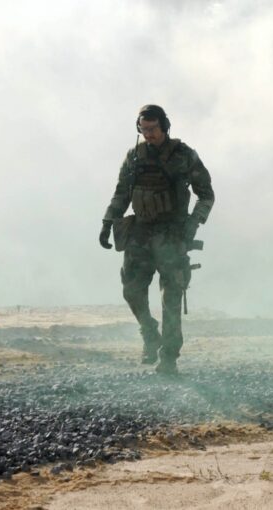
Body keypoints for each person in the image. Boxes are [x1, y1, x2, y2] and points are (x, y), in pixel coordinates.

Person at [100, 104, 214, 375]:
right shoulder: (134, 156)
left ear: (164, 126)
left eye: (152, 129)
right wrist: (108, 221)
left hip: (172, 234)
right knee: (131, 290)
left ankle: (169, 357)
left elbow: (206, 194)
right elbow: (121, 192)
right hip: (140, 232)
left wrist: (192, 225)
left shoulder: (184, 155)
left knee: (171, 296)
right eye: (143, 129)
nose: (148, 134)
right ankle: (150, 332)